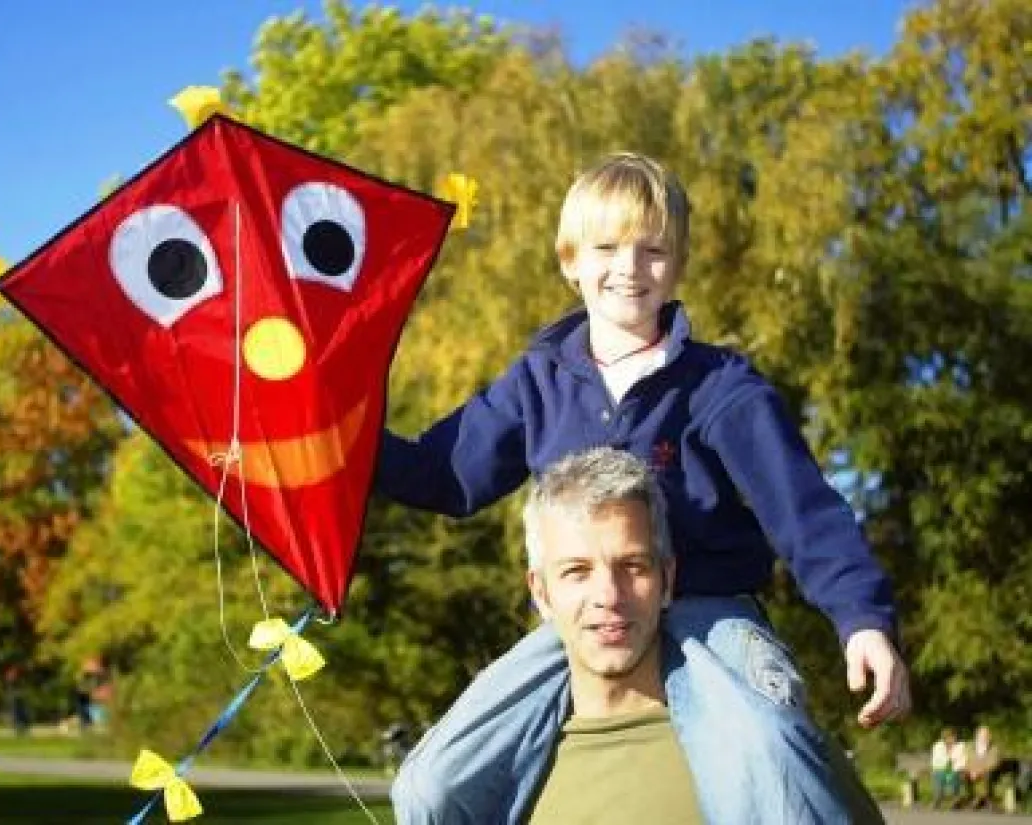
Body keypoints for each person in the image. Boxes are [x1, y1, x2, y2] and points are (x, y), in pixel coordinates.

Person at [378, 151, 911, 824]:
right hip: (583, 621)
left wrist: (862, 619)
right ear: (571, 260)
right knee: (431, 783)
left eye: (651, 249)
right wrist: (343, 445)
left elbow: (805, 512)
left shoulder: (719, 386)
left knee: (772, 761)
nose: (628, 267)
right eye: (606, 247)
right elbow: (445, 474)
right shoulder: (538, 382)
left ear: (678, 263)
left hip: (709, 610)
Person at [519, 448, 883, 823]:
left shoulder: (780, 762)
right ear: (541, 593)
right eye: (577, 572)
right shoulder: (499, 783)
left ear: (667, 580)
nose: (609, 595)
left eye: (633, 566)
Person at [965, 725, 1001, 809]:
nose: (984, 738)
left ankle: (981, 799)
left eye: (986, 735)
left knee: (987, 775)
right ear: (977, 736)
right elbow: (966, 760)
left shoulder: (994, 748)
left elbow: (994, 762)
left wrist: (980, 770)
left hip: (986, 771)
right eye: (982, 735)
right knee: (961, 775)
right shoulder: (969, 746)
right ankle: (969, 798)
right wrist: (971, 770)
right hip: (971, 770)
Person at [930, 727, 966, 807]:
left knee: (955, 775)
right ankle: (937, 798)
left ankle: (955, 799)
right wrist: (950, 760)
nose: (951, 739)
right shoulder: (938, 746)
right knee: (938, 775)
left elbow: (962, 761)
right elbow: (936, 761)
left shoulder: (961, 746)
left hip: (956, 770)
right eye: (949, 737)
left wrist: (953, 767)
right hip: (941, 770)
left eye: (953, 737)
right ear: (944, 738)